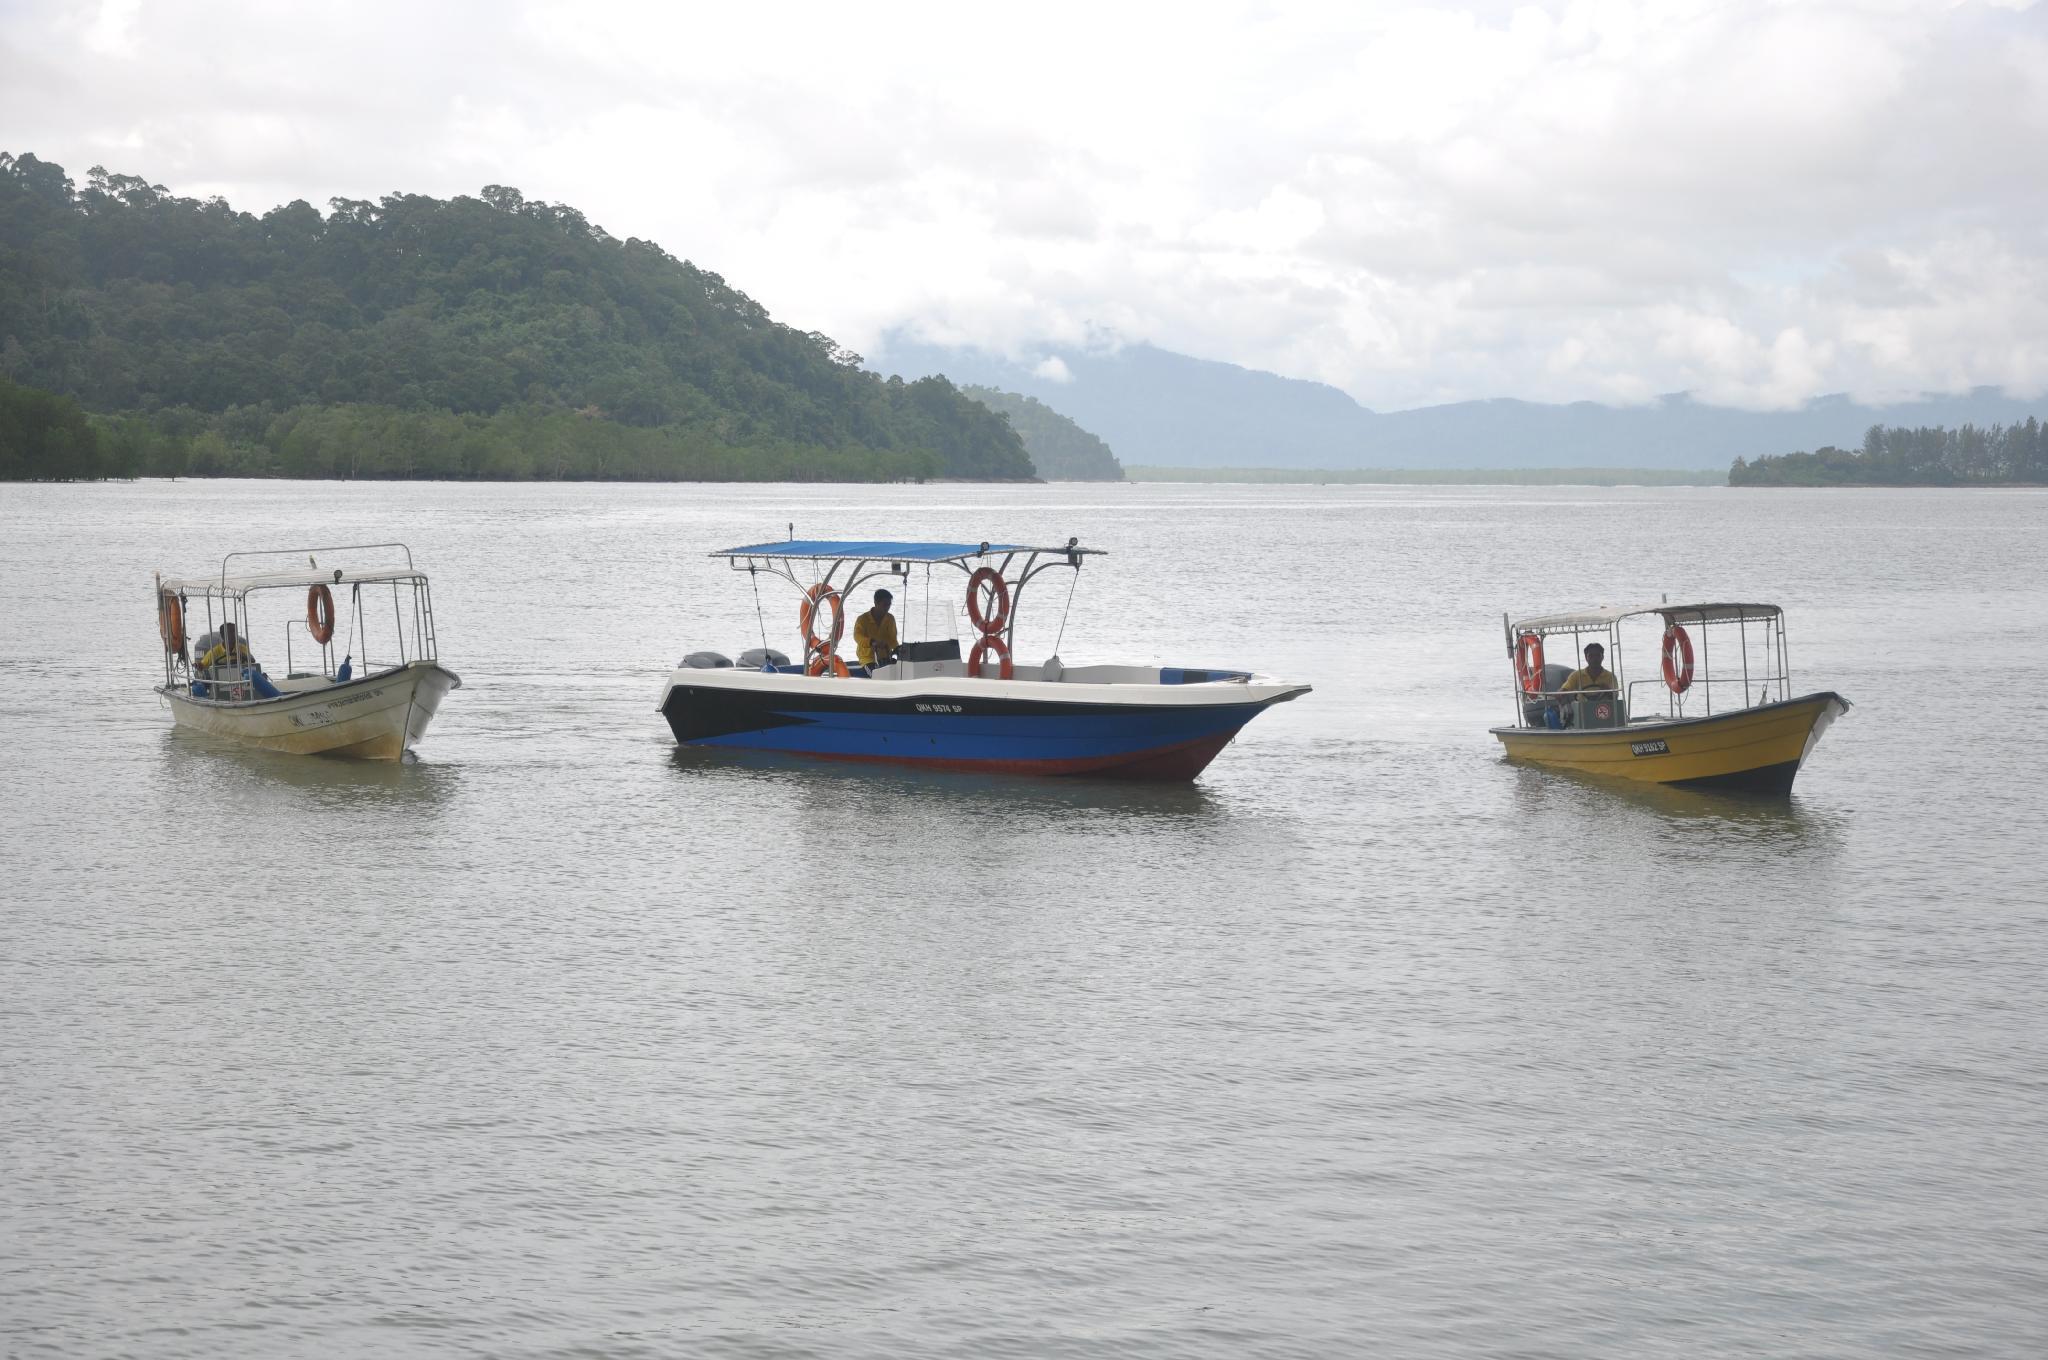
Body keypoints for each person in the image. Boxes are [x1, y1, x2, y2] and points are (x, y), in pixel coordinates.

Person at [853, 588, 898, 671]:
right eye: (884, 605)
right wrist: (872, 642)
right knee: (876, 676)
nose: (887, 608)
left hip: (886, 656)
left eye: (889, 605)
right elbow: (857, 637)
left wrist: (898, 649)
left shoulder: (890, 618)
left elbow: (893, 640)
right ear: (876, 603)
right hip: (867, 659)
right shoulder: (862, 620)